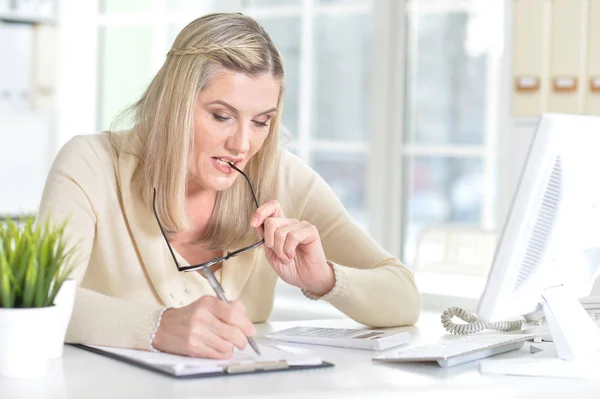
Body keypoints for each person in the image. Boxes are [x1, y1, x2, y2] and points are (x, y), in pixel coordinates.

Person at [38, 12, 421, 359]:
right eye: (222, 116)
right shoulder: (90, 164)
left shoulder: (284, 178)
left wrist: (324, 278)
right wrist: (157, 326)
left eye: (261, 122)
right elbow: (37, 302)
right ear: (175, 104)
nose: (242, 145)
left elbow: (404, 298)